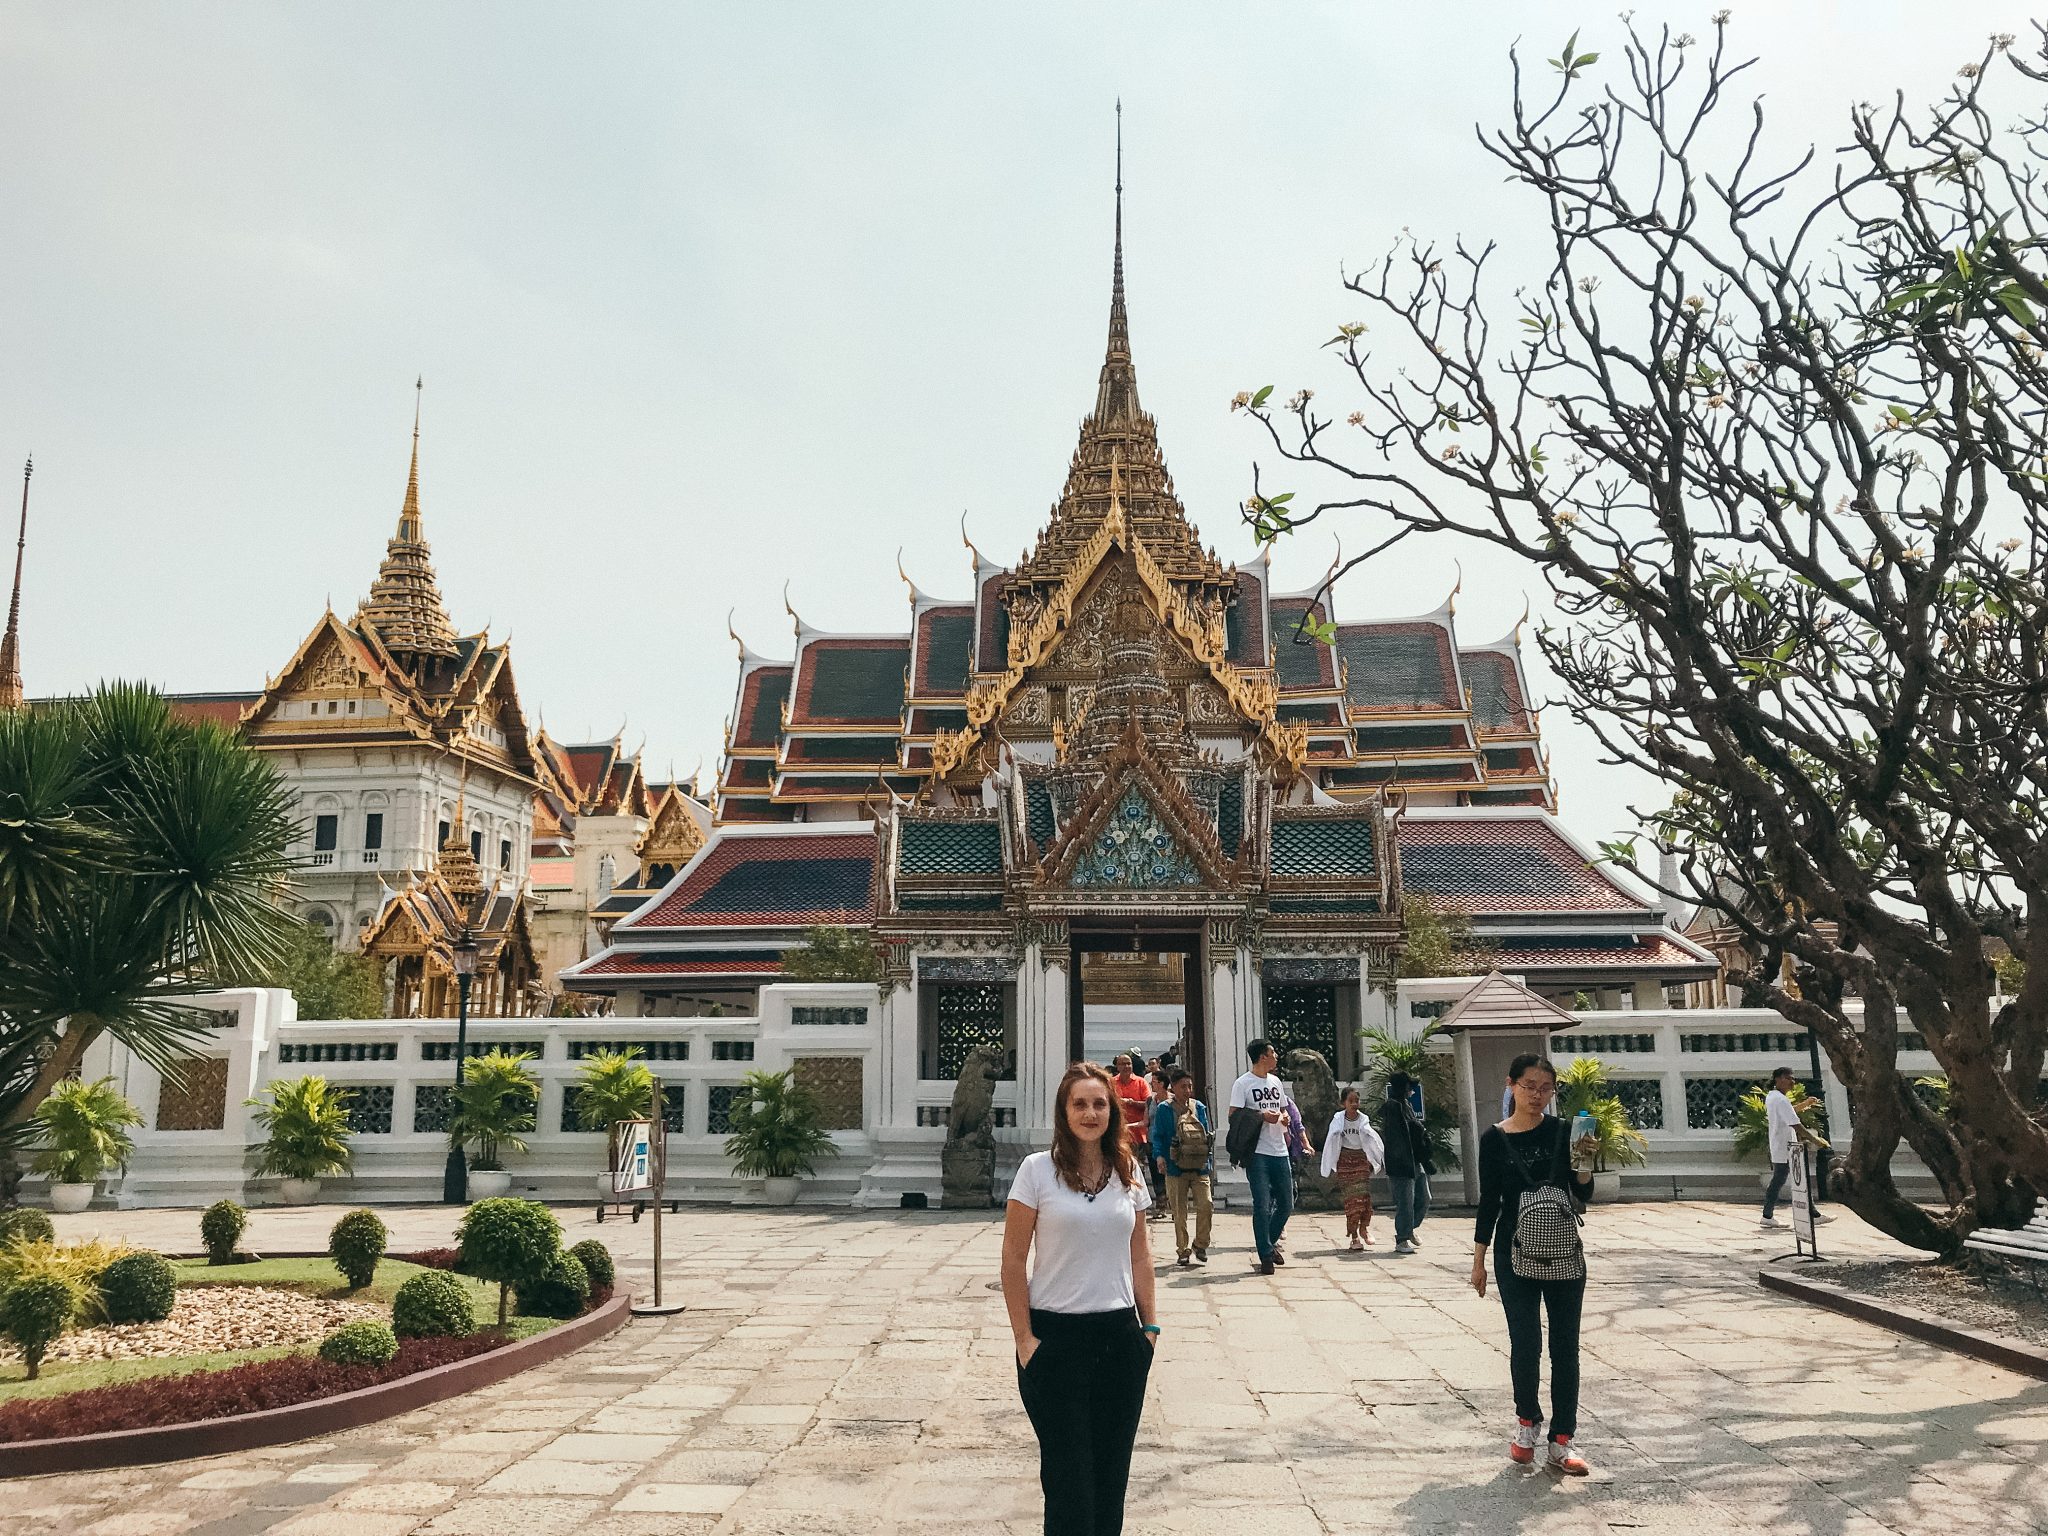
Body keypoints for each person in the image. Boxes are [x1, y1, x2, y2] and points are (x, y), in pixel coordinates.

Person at [1003, 1061, 1160, 1535]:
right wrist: (1026, 1339)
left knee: (1112, 1474)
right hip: (1055, 1339)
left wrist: (1148, 1330)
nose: (1090, 1113)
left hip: (1119, 1336)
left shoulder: (1127, 1172)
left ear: (1112, 1111)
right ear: (1064, 1112)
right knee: (1068, 1476)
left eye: (1099, 1103)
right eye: (1080, 1104)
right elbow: (1013, 1260)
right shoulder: (1036, 1171)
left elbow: (1141, 1258)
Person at [1471, 1053, 1597, 1477]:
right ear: (1511, 1085)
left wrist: (1584, 1164)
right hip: (1513, 1251)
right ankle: (1527, 1424)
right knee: (1525, 1342)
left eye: (1546, 1088)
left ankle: (1563, 1440)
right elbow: (1489, 1202)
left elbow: (1585, 1193)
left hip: (1563, 1251)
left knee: (1566, 1346)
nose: (1537, 1096)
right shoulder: (1493, 1139)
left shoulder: (1565, 1132)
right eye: (1529, 1086)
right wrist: (1479, 1261)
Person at [1229, 1038, 1294, 1274]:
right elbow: (1233, 1115)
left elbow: (1283, 1109)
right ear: (1262, 1057)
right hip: (1257, 1152)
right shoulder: (1243, 1084)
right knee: (1262, 1204)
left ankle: (1267, 1243)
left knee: (1287, 1202)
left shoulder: (1276, 1082)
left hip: (1279, 1149)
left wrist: (1284, 1118)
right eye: (1273, 1052)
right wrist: (1260, 1115)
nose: (1276, 1056)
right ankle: (1266, 1255)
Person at [1150, 1068, 1214, 1265]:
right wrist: (1159, 1156)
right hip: (1174, 1167)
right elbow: (1158, 1135)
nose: (1187, 1090)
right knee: (1179, 1211)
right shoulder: (1164, 1109)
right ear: (1173, 1088)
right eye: (1183, 1086)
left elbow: (1205, 1134)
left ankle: (1201, 1244)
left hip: (1199, 1166)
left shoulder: (1200, 1108)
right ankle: (1183, 1249)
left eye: (1190, 1086)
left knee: (1206, 1204)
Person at [1320, 1086, 1386, 1251]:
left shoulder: (1363, 1120)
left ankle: (1364, 1228)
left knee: (1363, 1197)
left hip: (1361, 1160)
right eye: (1351, 1101)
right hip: (1345, 1161)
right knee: (1351, 1200)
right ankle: (1354, 1236)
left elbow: (1371, 1139)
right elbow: (1331, 1139)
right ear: (1343, 1103)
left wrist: (1376, 1158)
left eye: (1356, 1100)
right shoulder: (1338, 1120)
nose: (1354, 1104)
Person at [1378, 1073, 1433, 1254]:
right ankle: (1402, 1238)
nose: (1411, 1091)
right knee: (1406, 1202)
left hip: (1415, 1161)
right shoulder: (1392, 1108)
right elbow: (1397, 1138)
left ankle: (1409, 1229)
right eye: (1409, 1087)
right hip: (1401, 1163)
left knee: (1424, 1198)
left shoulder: (1406, 1105)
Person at [1761, 1066, 1799, 1228]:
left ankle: (1813, 1212)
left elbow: (1789, 1113)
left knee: (1788, 1178)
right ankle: (1767, 1215)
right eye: (1788, 1078)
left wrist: (1806, 1104)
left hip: (1781, 1144)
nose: (1792, 1082)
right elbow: (1794, 1122)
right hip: (1785, 1145)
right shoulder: (1781, 1099)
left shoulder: (1773, 1097)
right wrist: (1816, 1140)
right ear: (1778, 1079)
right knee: (1782, 1179)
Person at [1110, 1054, 1152, 1159]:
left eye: (1129, 1063)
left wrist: (1132, 1102)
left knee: (1138, 1168)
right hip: (1118, 1135)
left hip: (1138, 1135)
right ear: (1117, 1067)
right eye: (1123, 1064)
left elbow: (1148, 1104)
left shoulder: (1141, 1082)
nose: (1126, 1066)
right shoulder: (1111, 1083)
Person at [1144, 1069, 1171, 1219]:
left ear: (1162, 1084)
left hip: (1170, 1142)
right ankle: (1161, 1205)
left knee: (1171, 1174)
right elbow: (1145, 1121)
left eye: (1154, 1082)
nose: (1151, 1084)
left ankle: (1174, 1204)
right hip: (1153, 1141)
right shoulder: (1150, 1101)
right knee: (1156, 1174)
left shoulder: (1173, 1100)